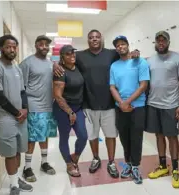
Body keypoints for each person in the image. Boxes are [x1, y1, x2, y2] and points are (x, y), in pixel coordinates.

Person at [54, 29, 140, 178]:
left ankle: (111, 161)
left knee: (110, 135)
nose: (94, 39)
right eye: (91, 37)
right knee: (92, 135)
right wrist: (54, 64)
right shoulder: (80, 55)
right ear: (88, 40)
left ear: (101, 39)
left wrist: (135, 52)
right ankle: (96, 158)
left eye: (97, 37)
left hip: (109, 103)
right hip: (88, 104)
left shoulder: (111, 53)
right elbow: (66, 59)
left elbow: (125, 53)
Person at [0, 35, 33, 195]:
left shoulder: (16, 67)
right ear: (1, 48)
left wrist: (25, 108)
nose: (12, 50)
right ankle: (13, 185)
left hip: (20, 117)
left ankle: (16, 178)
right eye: (8, 47)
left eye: (14, 47)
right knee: (10, 153)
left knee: (19, 150)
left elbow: (22, 91)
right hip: (5, 119)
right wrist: (17, 112)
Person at [146, 31, 179, 189]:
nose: (161, 43)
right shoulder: (150, 60)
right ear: (155, 43)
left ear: (168, 42)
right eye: (158, 40)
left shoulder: (178, 59)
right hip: (153, 104)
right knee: (159, 135)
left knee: (172, 137)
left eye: (164, 40)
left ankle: (175, 170)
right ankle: (163, 166)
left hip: (171, 106)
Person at [110, 36, 149, 184]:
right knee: (124, 137)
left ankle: (136, 167)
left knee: (136, 137)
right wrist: (121, 103)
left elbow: (143, 84)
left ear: (128, 45)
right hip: (120, 107)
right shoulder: (114, 66)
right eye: (118, 45)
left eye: (123, 44)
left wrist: (128, 102)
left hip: (137, 107)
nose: (120, 47)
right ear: (116, 49)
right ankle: (128, 164)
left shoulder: (140, 61)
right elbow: (112, 87)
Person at [19, 35, 57, 182]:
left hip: (48, 105)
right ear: (36, 45)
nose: (44, 47)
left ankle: (44, 162)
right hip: (33, 105)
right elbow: (21, 86)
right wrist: (24, 106)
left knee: (45, 134)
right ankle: (27, 167)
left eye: (47, 45)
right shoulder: (27, 63)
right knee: (33, 137)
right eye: (41, 44)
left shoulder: (50, 63)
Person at [53, 45, 88, 177]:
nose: (72, 56)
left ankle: (75, 157)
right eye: (68, 54)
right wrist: (69, 112)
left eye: (73, 53)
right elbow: (57, 96)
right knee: (64, 137)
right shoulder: (60, 72)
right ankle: (68, 164)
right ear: (62, 57)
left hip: (77, 108)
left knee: (83, 136)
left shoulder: (77, 67)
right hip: (63, 109)